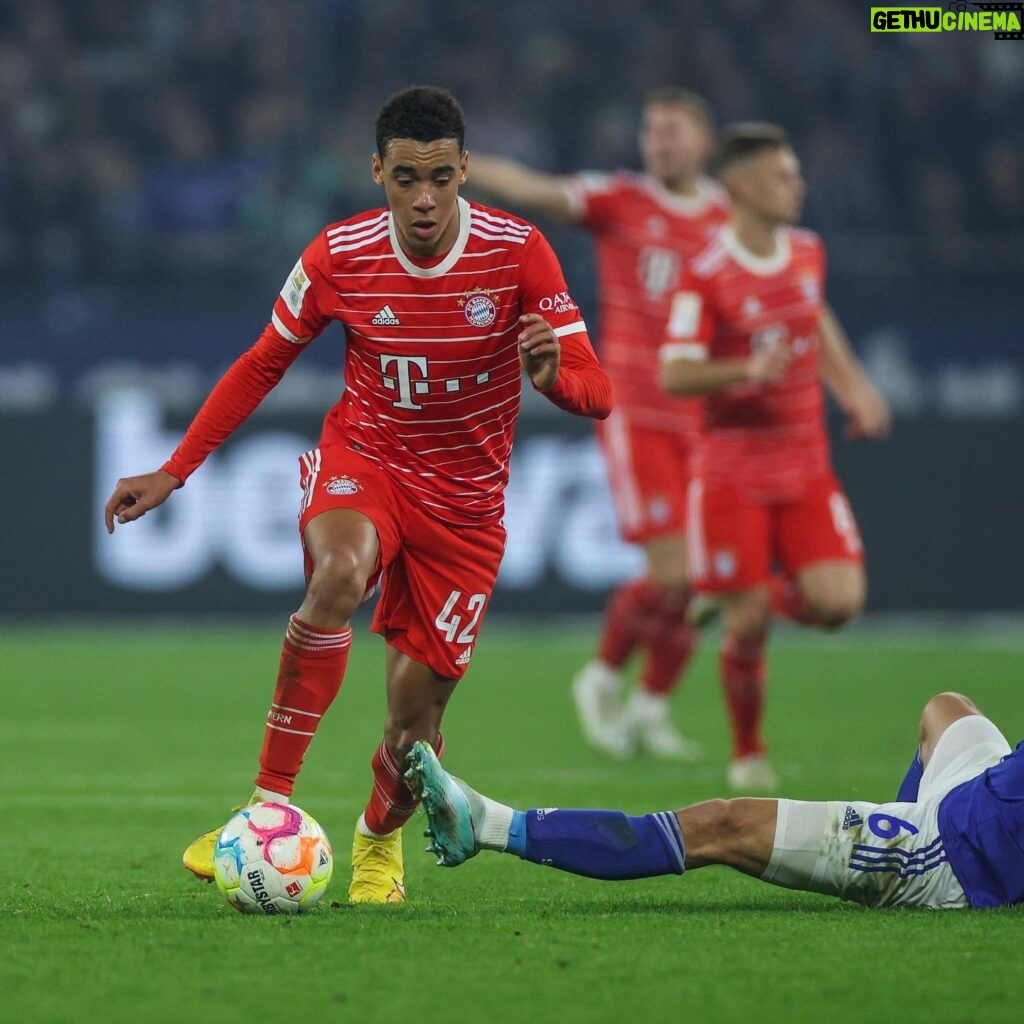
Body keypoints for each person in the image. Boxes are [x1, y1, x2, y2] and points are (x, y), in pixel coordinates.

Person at [103, 86, 612, 904]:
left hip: (467, 508)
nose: (423, 198)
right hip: (366, 460)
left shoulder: (521, 253)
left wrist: (554, 379)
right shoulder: (338, 254)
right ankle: (266, 805)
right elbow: (262, 361)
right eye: (406, 176)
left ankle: (378, 840)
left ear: (465, 172)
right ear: (377, 170)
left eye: (441, 178)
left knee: (416, 723)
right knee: (337, 575)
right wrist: (177, 468)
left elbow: (600, 390)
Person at [469, 89, 729, 761]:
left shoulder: (731, 220)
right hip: (640, 414)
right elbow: (535, 188)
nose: (659, 143)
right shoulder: (622, 200)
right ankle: (603, 675)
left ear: (704, 142)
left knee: (715, 576)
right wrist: (458, 165)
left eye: (672, 131)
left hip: (708, 421)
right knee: (676, 572)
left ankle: (649, 707)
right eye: (651, 131)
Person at [658, 123, 891, 791]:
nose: (799, 185)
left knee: (839, 606)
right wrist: (745, 372)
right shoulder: (703, 274)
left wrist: (854, 388)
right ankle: (748, 751)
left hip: (805, 465)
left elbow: (814, 317)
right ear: (740, 185)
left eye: (795, 173)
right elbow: (674, 373)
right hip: (731, 471)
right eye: (782, 175)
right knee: (751, 621)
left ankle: (732, 592)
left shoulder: (808, 251)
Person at [406, 692, 1024, 910]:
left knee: (721, 825)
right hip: (980, 790)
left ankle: (488, 826)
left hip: (955, 851)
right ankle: (885, 873)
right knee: (948, 709)